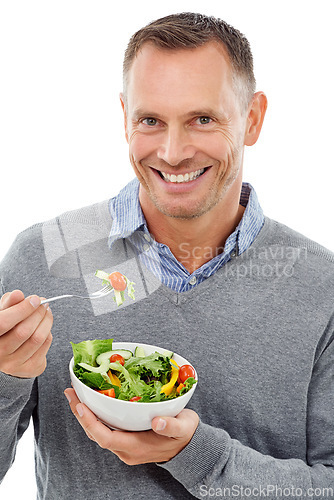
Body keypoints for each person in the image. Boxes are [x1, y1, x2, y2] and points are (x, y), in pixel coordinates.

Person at [0, 11, 333, 500]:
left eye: (202, 119)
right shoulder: (43, 258)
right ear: (125, 118)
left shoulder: (321, 288)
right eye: (151, 121)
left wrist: (195, 455)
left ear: (252, 119)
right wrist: (4, 378)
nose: (173, 152)